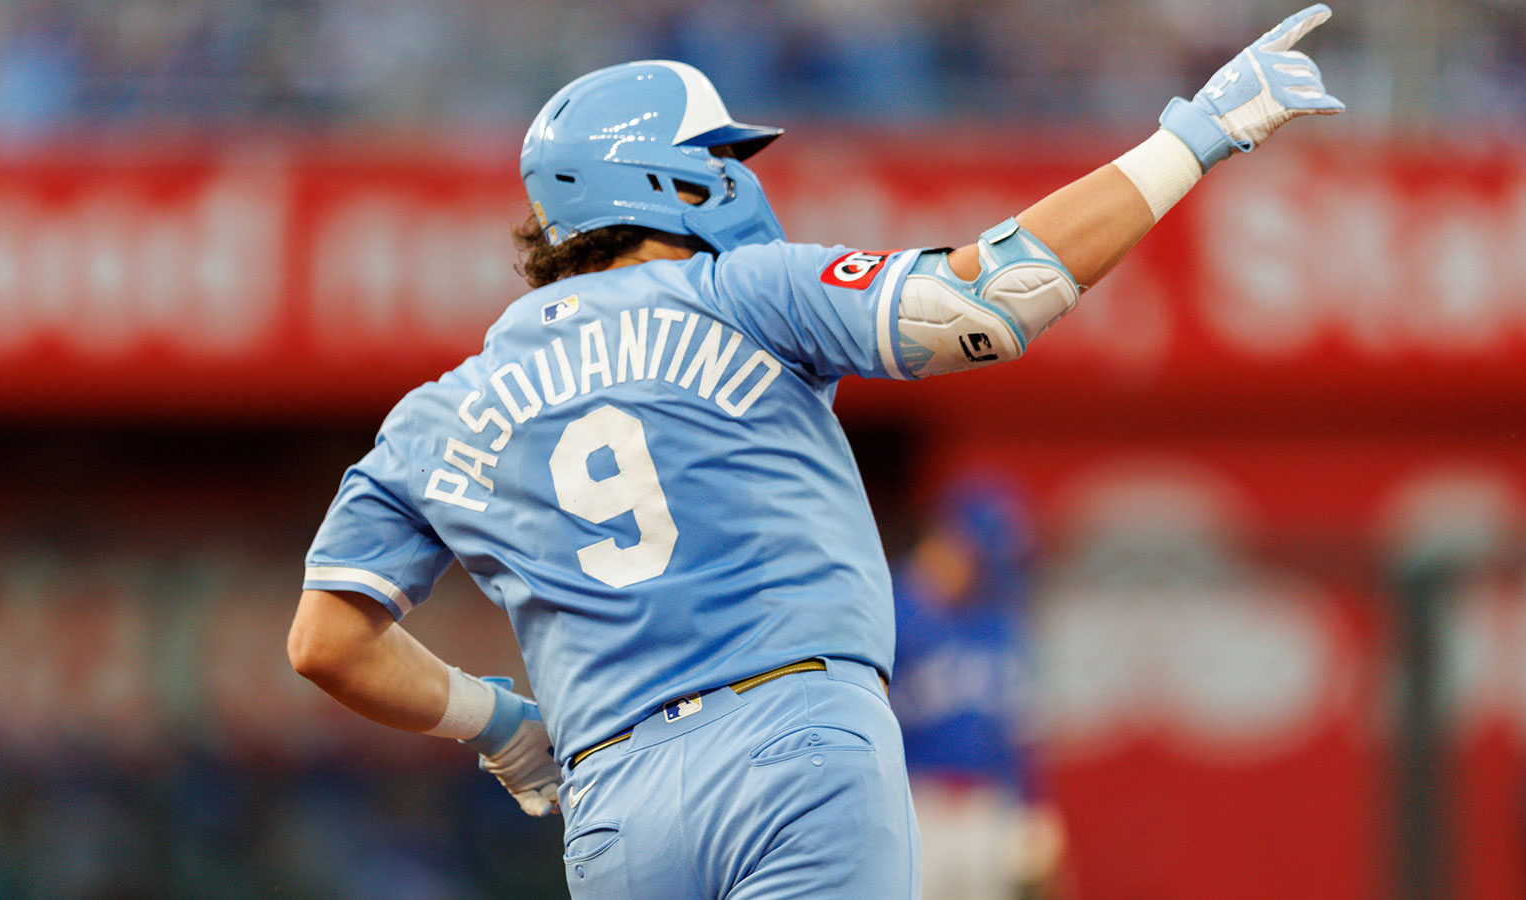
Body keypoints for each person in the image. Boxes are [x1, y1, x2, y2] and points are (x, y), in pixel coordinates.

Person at [286, 7, 1342, 898]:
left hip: (613, 802)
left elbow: (327, 640)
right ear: (665, 181)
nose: (740, 176)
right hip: (795, 741)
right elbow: (990, 301)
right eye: (721, 157)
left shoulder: (437, 412)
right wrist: (1199, 132)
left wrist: (501, 724)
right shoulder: (741, 292)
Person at [890, 477, 1068, 900]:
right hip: (915, 805)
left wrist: (1033, 812)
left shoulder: (1000, 622)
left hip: (989, 809)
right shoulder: (887, 608)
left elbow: (1020, 735)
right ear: (947, 539)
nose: (991, 567)